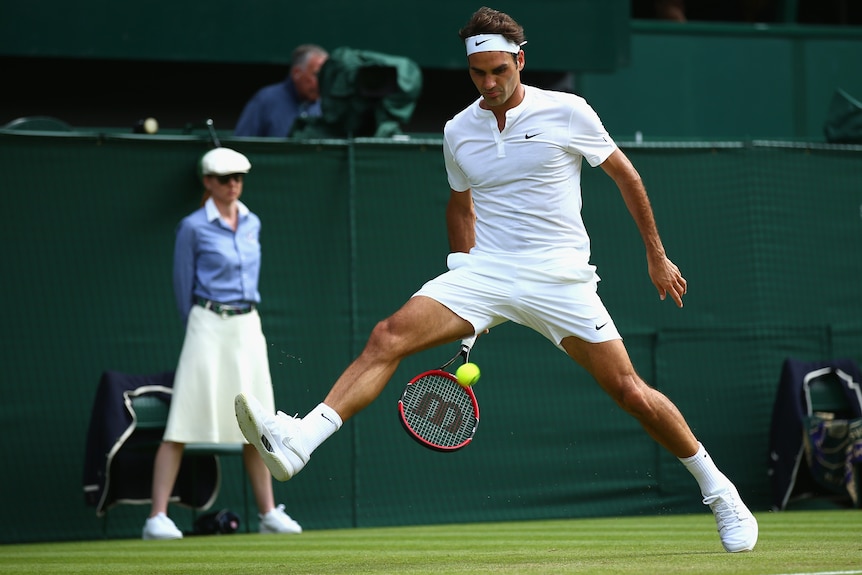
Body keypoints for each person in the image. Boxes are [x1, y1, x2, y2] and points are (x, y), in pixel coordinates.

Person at [234, 6, 759, 553]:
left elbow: (626, 176)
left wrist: (655, 253)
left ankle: (720, 492)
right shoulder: (458, 130)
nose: (489, 83)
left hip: (559, 278)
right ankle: (300, 441)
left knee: (630, 392)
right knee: (387, 336)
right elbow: (460, 208)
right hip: (486, 271)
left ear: (520, 62)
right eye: (478, 73)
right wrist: (464, 282)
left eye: (499, 71)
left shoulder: (570, 111)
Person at [142, 147, 302, 539]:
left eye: (239, 178)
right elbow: (183, 287)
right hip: (206, 324)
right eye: (226, 178)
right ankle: (156, 518)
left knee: (258, 421)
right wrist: (199, 325)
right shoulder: (192, 227)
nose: (234, 185)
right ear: (208, 182)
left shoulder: (253, 222)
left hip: (248, 326)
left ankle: (267, 514)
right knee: (181, 422)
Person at [234, 44, 329, 137]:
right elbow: (242, 144)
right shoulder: (266, 100)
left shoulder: (328, 106)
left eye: (326, 76)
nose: (323, 82)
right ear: (297, 73)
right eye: (317, 75)